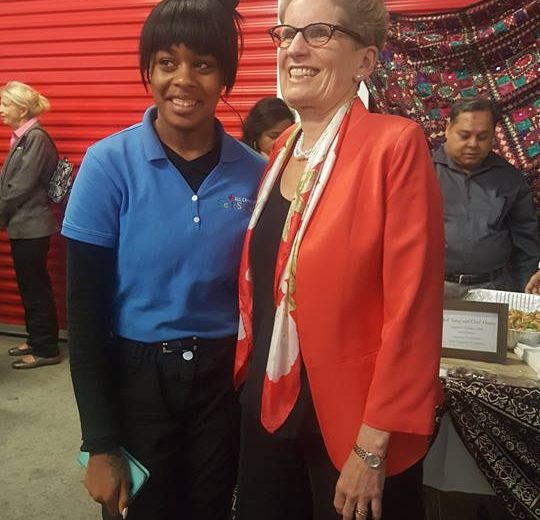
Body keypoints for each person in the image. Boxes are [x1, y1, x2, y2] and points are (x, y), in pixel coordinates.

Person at [233, 0, 444, 519]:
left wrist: (372, 447)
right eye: (286, 34)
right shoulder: (283, 146)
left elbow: (412, 310)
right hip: (266, 409)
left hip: (352, 426)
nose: (295, 48)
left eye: (320, 33)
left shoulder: (394, 145)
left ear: (366, 62)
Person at [61, 0, 265, 519]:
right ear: (148, 71)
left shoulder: (259, 174)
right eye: (167, 63)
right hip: (137, 379)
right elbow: (84, 319)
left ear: (226, 76)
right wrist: (100, 443)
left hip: (224, 382)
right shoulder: (109, 165)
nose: (183, 80)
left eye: (202, 64)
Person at [433, 97, 540, 299]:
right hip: (433, 289)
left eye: (483, 137)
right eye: (464, 135)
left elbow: (526, 244)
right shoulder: (420, 171)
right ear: (448, 129)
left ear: (494, 135)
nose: (473, 144)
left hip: (492, 290)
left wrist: (524, 298)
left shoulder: (510, 178)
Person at [0, 81, 60, 369]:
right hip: (22, 225)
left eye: (6, 104)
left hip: (33, 227)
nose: (1, 109)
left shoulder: (36, 138)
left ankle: (46, 348)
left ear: (21, 108)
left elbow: (21, 185)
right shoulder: (23, 137)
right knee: (28, 285)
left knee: (35, 286)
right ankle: (35, 338)